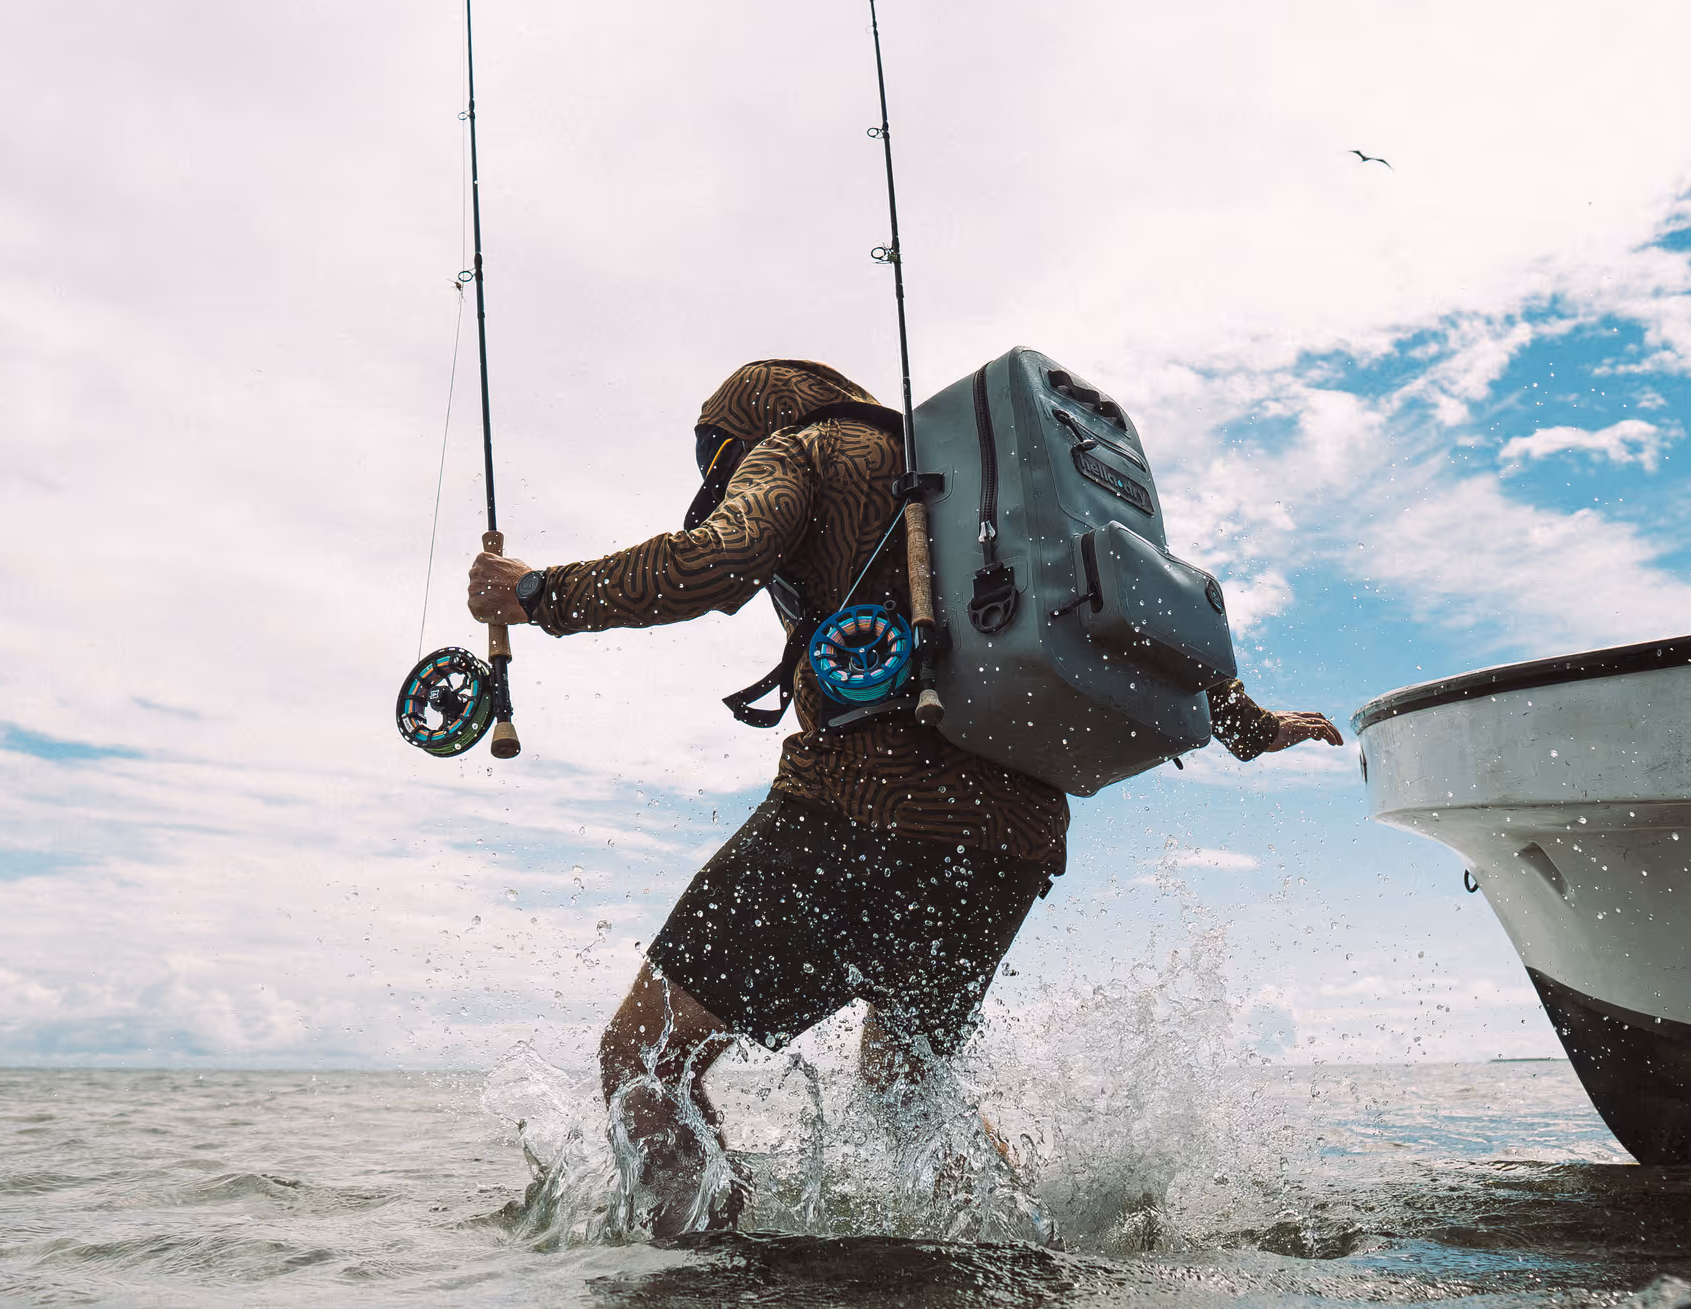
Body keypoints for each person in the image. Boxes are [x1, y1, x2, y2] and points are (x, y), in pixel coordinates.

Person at [466, 358, 1342, 1240]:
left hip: (859, 809)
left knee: (642, 1056)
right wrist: (1247, 722)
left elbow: (715, 561)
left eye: (716, 464)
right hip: (1012, 839)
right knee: (904, 1084)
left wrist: (538, 594)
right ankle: (1029, 1247)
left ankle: (702, 1272)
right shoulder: (975, 478)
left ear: (738, 434)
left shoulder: (803, 449)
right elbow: (1125, 601)